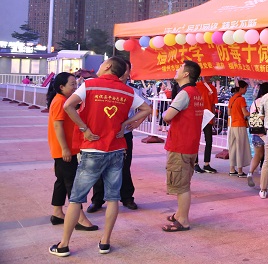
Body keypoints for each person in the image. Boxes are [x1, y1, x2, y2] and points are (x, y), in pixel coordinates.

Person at [49, 57, 151, 257]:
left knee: (76, 198)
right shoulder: (127, 91)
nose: (101, 66)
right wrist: (127, 124)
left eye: (103, 63)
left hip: (92, 149)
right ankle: (105, 242)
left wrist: (84, 128)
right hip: (116, 150)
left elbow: (68, 106)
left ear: (108, 66)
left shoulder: (90, 85)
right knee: (113, 198)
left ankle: (64, 244)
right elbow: (147, 108)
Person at [87, 60, 140, 213]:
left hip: (123, 135)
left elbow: (147, 107)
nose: (123, 73)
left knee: (124, 167)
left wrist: (134, 123)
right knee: (98, 167)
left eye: (126, 70)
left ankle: (127, 197)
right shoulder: (98, 86)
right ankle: (97, 199)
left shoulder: (131, 91)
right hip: (101, 134)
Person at [47, 72, 97, 231]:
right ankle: (80, 218)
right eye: (72, 84)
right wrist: (65, 149)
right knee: (72, 183)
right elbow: (58, 126)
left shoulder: (63, 100)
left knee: (62, 181)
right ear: (61, 87)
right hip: (64, 149)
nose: (75, 87)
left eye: (76, 84)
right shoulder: (60, 102)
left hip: (64, 149)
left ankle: (57, 213)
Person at [161, 60, 204, 232]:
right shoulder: (196, 92)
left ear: (186, 74)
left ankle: (183, 220)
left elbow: (167, 116)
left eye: (179, 68)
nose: (176, 70)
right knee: (184, 181)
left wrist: (165, 113)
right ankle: (180, 214)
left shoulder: (185, 93)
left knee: (181, 186)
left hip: (180, 145)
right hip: (190, 144)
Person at [247, 82, 268, 187]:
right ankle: (266, 183)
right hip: (267, 133)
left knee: (257, 155)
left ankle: (250, 172)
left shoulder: (255, 102)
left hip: (256, 132)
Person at [194, 76, 219, 174]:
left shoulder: (213, 88)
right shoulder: (196, 86)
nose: (209, 77)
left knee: (209, 141)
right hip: (197, 116)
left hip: (208, 117)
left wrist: (213, 117)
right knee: (196, 141)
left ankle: (206, 164)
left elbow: (213, 104)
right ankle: (195, 163)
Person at [227, 80, 252, 177]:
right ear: (240, 88)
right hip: (240, 125)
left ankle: (232, 169)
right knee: (240, 147)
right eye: (245, 88)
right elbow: (245, 113)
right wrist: (253, 112)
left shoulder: (232, 99)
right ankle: (240, 171)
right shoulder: (241, 99)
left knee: (233, 147)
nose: (246, 90)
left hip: (233, 125)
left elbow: (229, 113)